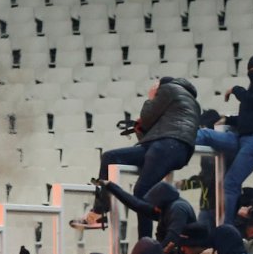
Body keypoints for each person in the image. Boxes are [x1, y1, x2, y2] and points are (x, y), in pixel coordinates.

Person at [71, 77, 200, 236]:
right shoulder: (190, 102)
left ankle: (145, 244)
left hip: (166, 145)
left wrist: (151, 97)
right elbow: (149, 130)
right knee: (110, 158)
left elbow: (146, 118)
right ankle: (99, 212)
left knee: (142, 191)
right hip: (166, 146)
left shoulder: (169, 89)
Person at [194, 54, 253, 225]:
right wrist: (228, 120)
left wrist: (236, 90)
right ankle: (175, 139)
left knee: (230, 183)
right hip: (246, 138)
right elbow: (252, 116)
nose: (251, 73)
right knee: (206, 135)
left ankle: (226, 227)